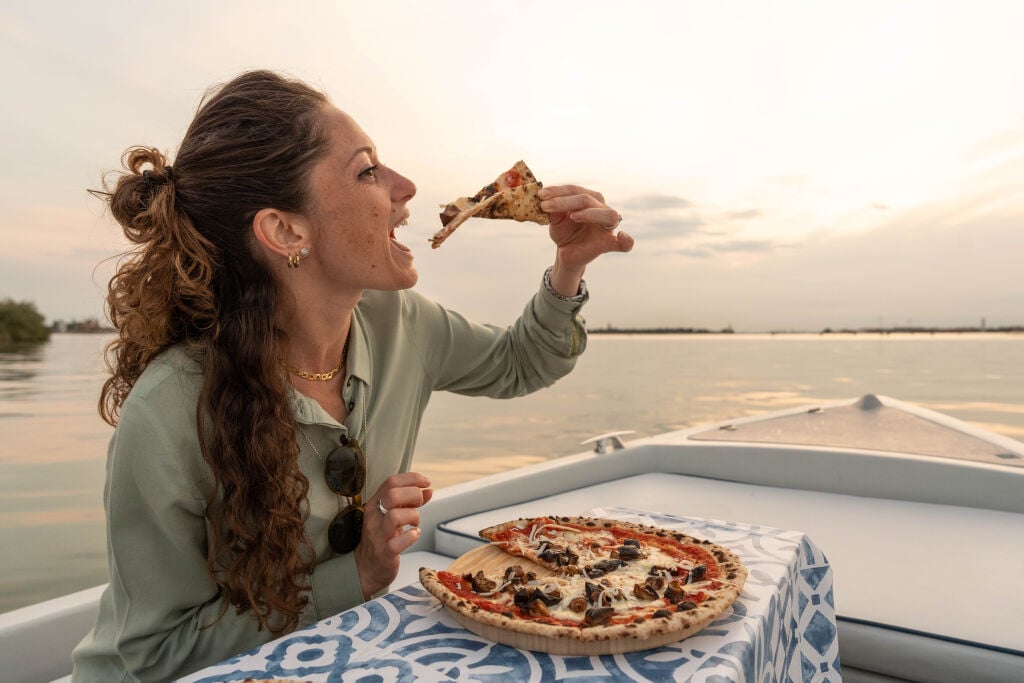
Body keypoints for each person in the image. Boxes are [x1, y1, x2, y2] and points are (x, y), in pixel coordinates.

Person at [71, 69, 633, 682]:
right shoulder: (168, 409)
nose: (405, 186)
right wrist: (357, 573)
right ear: (286, 231)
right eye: (367, 171)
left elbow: (520, 362)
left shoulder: (401, 323)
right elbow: (155, 657)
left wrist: (568, 269)